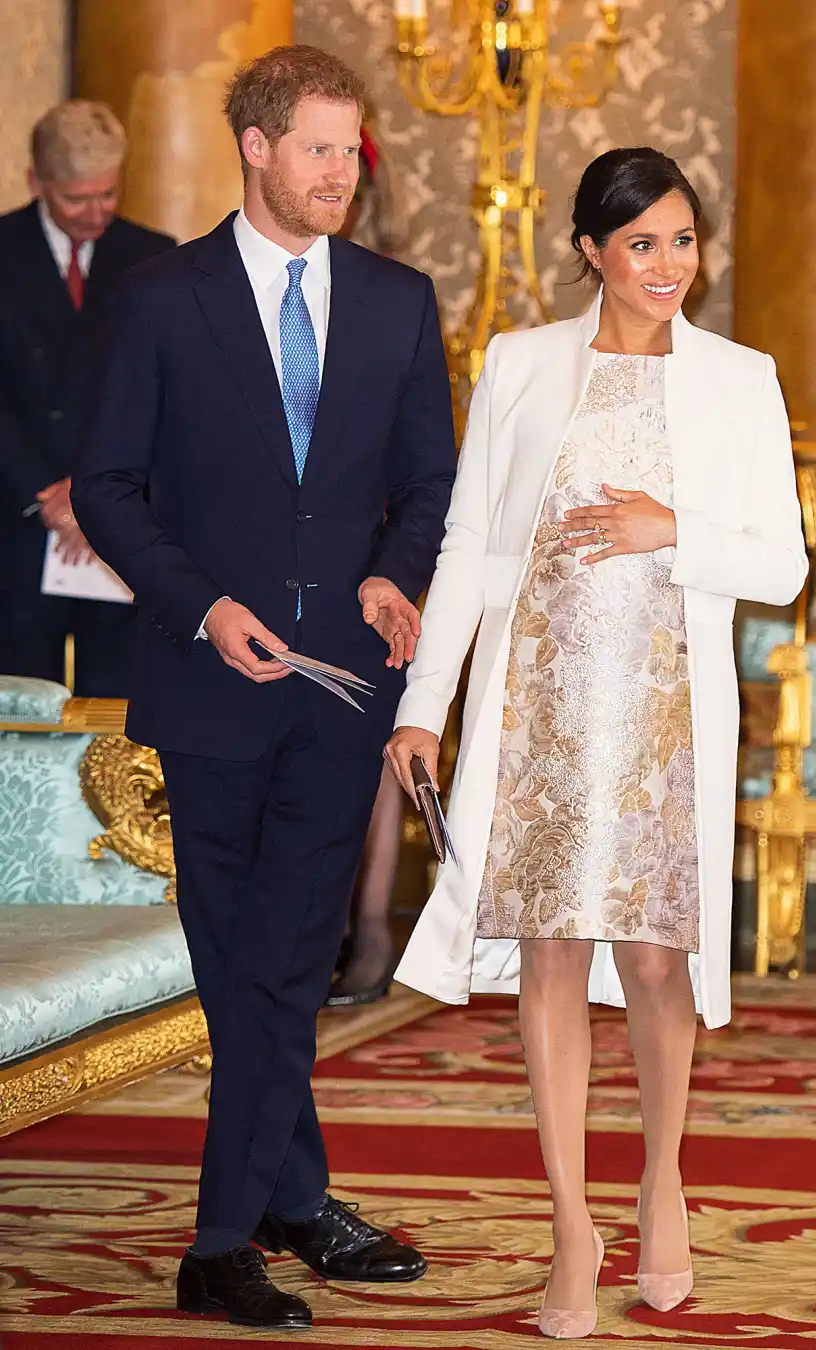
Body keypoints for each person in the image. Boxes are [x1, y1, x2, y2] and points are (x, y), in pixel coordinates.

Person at [385, 147, 808, 1338]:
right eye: (643, 244)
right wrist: (426, 705)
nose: (671, 264)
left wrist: (671, 529)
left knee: (660, 963)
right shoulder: (520, 363)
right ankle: (572, 1224)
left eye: (684, 240)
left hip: (666, 720)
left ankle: (661, 1172)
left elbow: (780, 563)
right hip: (542, 719)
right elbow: (468, 547)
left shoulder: (740, 378)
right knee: (556, 958)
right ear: (592, 253)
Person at [71, 45, 456, 1332]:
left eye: (353, 151)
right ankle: (296, 1200)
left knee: (287, 956)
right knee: (238, 955)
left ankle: (220, 1240)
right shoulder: (159, 297)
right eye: (320, 150)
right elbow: (110, 488)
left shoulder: (402, 303)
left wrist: (397, 577)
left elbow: (431, 486)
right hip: (207, 672)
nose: (343, 173)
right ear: (256, 145)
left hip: (342, 682)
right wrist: (203, 605)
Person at [0, 100, 175, 696]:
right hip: (19, 520)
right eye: (77, 198)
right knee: (22, 708)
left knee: (117, 713)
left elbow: (167, 391)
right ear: (36, 183)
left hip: (118, 523)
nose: (97, 213)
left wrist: (92, 490)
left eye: (108, 194)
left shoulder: (154, 256)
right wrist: (45, 491)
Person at [327, 123, 410, 1007]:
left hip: (387, 558)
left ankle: (375, 925)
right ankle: (327, 926)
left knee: (376, 746)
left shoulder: (394, 295)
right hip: (292, 565)